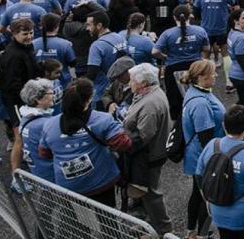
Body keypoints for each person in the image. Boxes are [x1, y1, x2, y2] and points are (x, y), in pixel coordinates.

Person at [38, 78, 132, 207]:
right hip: (101, 181)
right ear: (89, 99)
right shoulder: (102, 119)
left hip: (68, 186)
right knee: (107, 220)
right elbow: (123, 144)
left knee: (79, 222)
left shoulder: (49, 124)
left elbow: (44, 153)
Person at [197, 104, 244, 239]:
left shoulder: (212, 145)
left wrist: (208, 201)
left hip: (219, 214)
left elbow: (200, 177)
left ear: (224, 125)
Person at [121, 63, 172, 235]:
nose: (130, 83)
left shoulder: (150, 104)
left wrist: (120, 142)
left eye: (132, 81)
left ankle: (163, 228)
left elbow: (143, 136)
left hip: (149, 155)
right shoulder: (149, 94)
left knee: (151, 194)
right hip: (149, 153)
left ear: (143, 84)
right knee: (148, 192)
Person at [181, 59, 226, 239]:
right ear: (201, 77)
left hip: (195, 155)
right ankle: (201, 234)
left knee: (197, 194)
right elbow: (206, 138)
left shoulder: (195, 92)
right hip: (205, 157)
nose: (216, 75)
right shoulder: (200, 104)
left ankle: (191, 231)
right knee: (207, 197)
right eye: (212, 73)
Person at [153, 5, 209, 121]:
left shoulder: (167, 33)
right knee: (199, 96)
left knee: (175, 102)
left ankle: (178, 129)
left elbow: (155, 51)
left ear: (174, 18)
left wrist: (165, 57)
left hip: (173, 68)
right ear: (190, 16)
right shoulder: (200, 30)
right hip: (195, 67)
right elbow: (207, 49)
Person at [9, 78, 56, 180]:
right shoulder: (44, 123)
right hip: (52, 175)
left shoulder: (25, 118)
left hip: (38, 173)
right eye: (51, 93)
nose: (53, 95)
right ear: (38, 100)